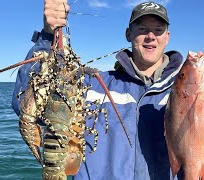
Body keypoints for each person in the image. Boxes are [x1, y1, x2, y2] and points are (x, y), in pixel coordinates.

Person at [11, 1, 183, 179]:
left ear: (167, 36)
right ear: (128, 34)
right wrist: (48, 35)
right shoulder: (91, 84)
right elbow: (24, 102)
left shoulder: (185, 91)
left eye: (158, 29)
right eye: (142, 29)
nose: (150, 36)